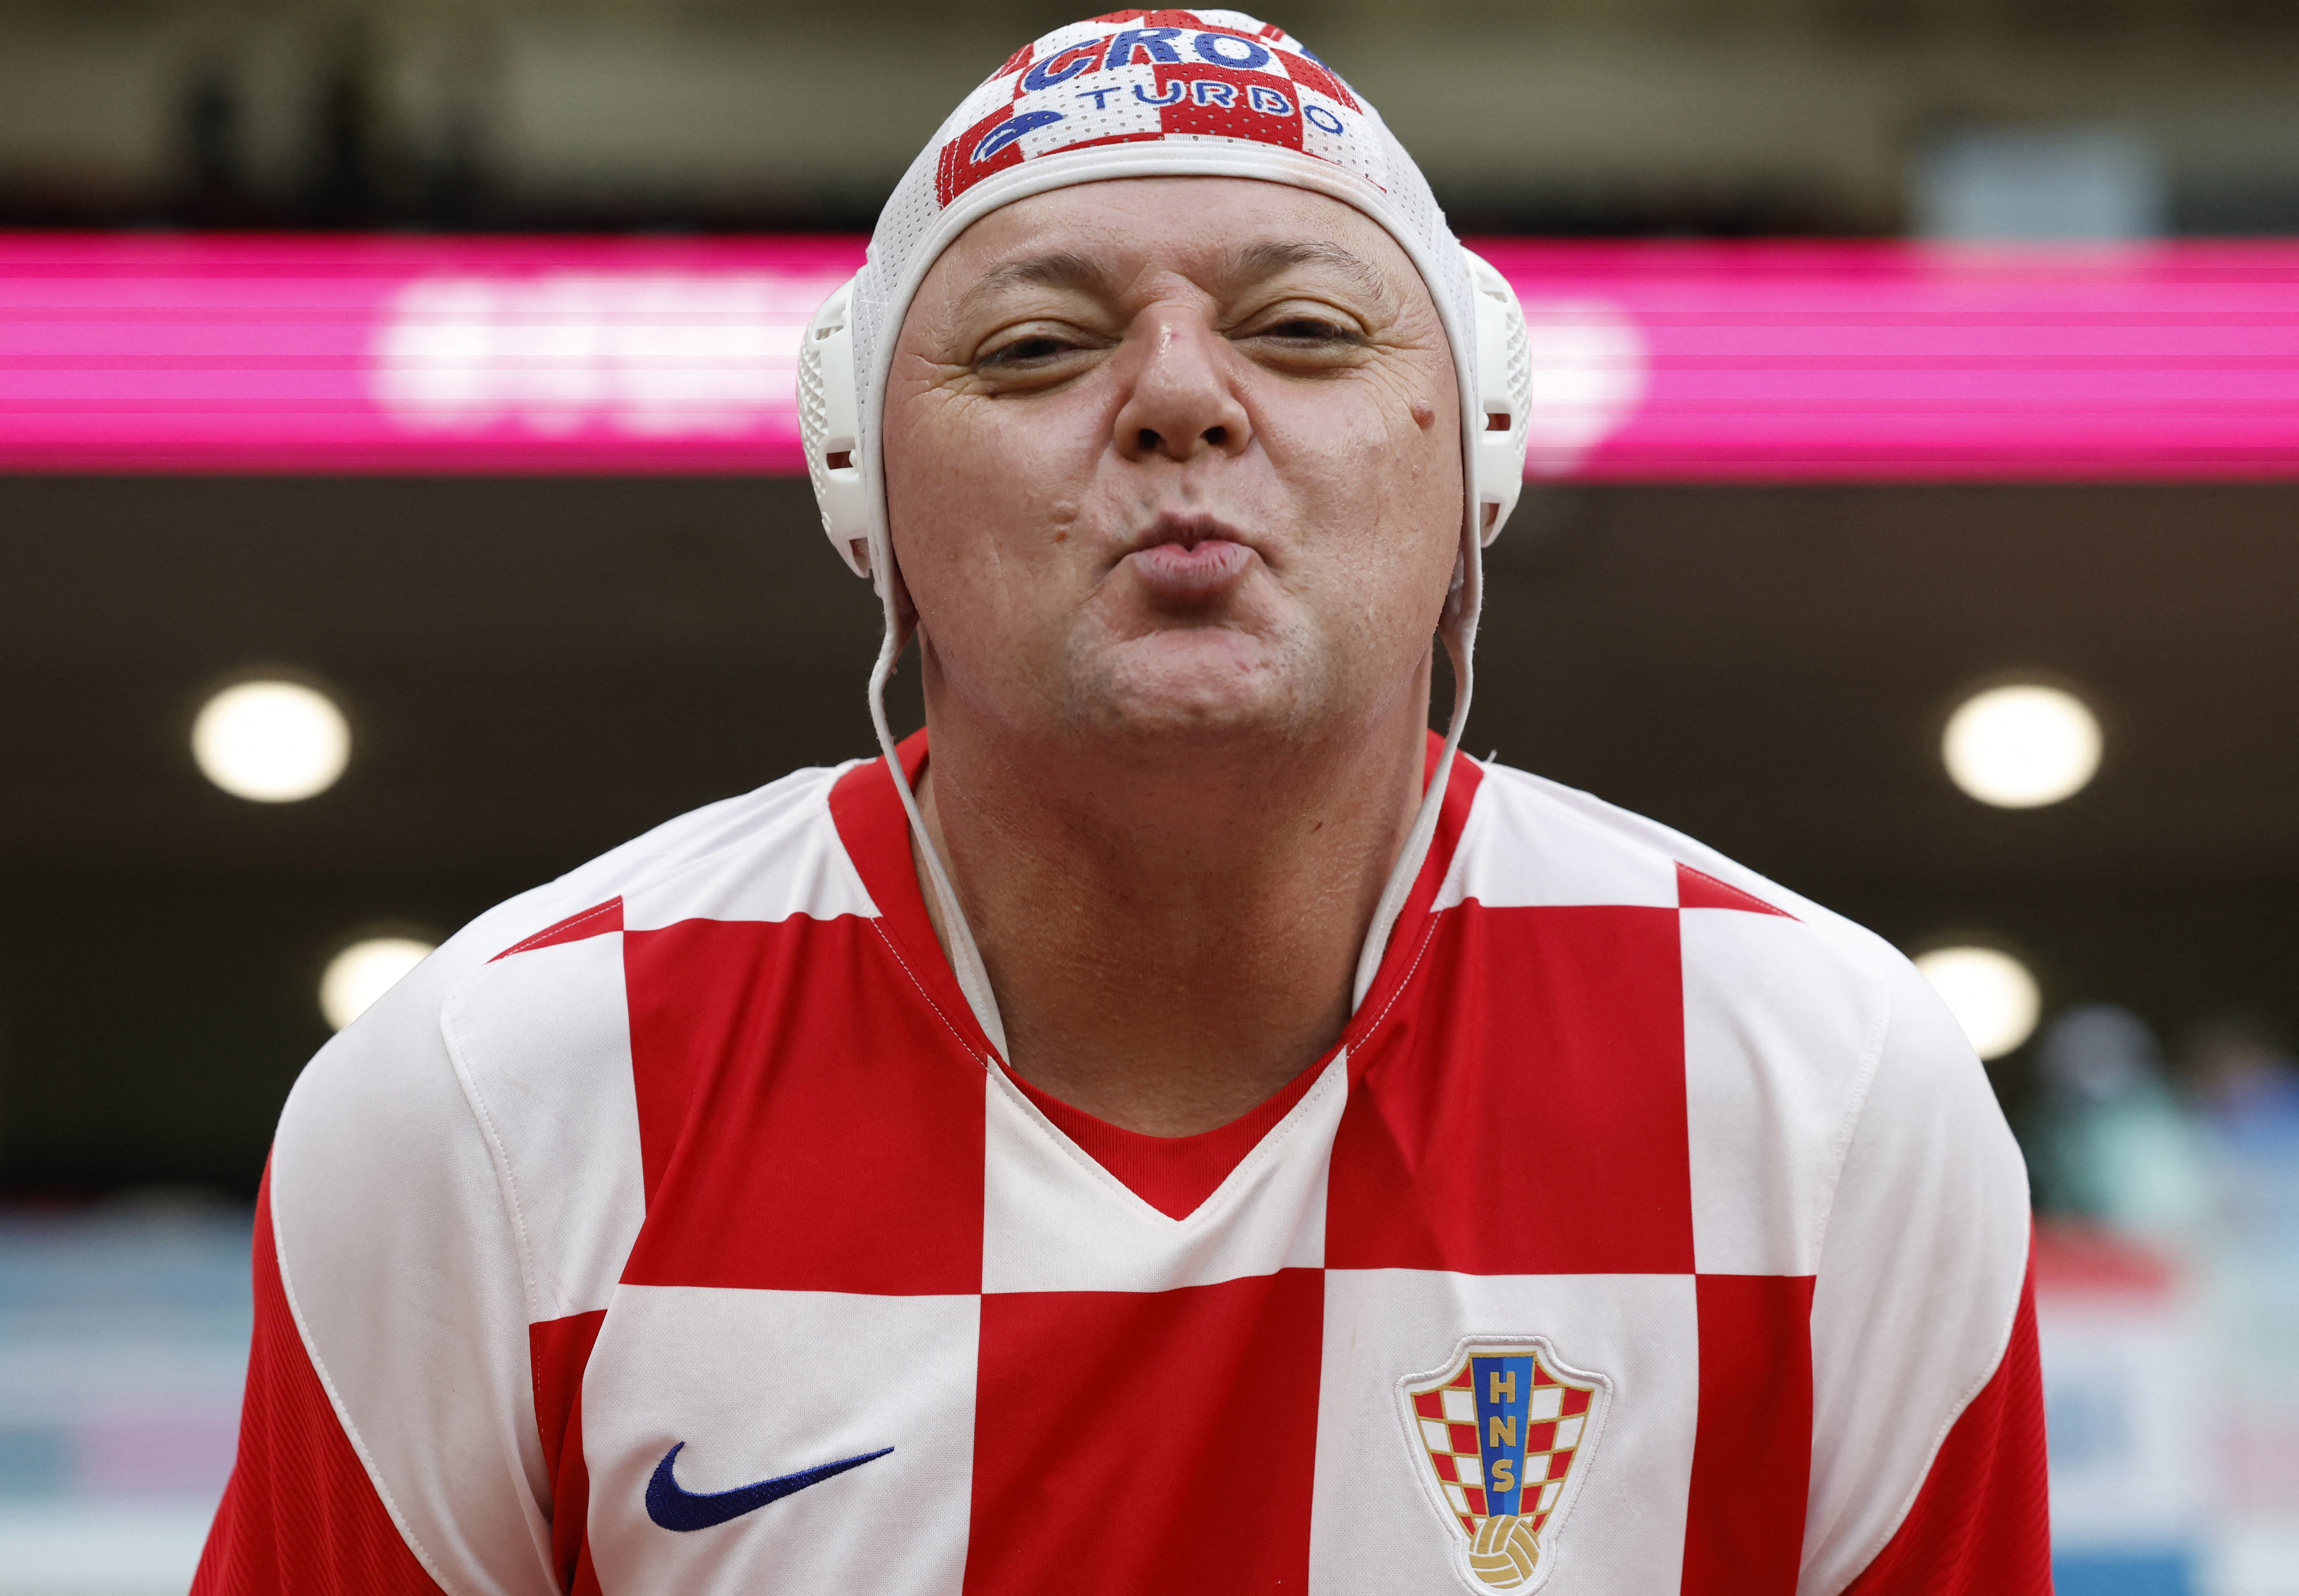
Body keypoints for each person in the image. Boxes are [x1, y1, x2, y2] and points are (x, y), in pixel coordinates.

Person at [194, 12, 2046, 1594]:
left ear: (1479, 445)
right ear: (863, 488)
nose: (1179, 399)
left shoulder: (1826, 1093)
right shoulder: (494, 1097)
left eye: (1307, 331)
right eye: (1033, 347)